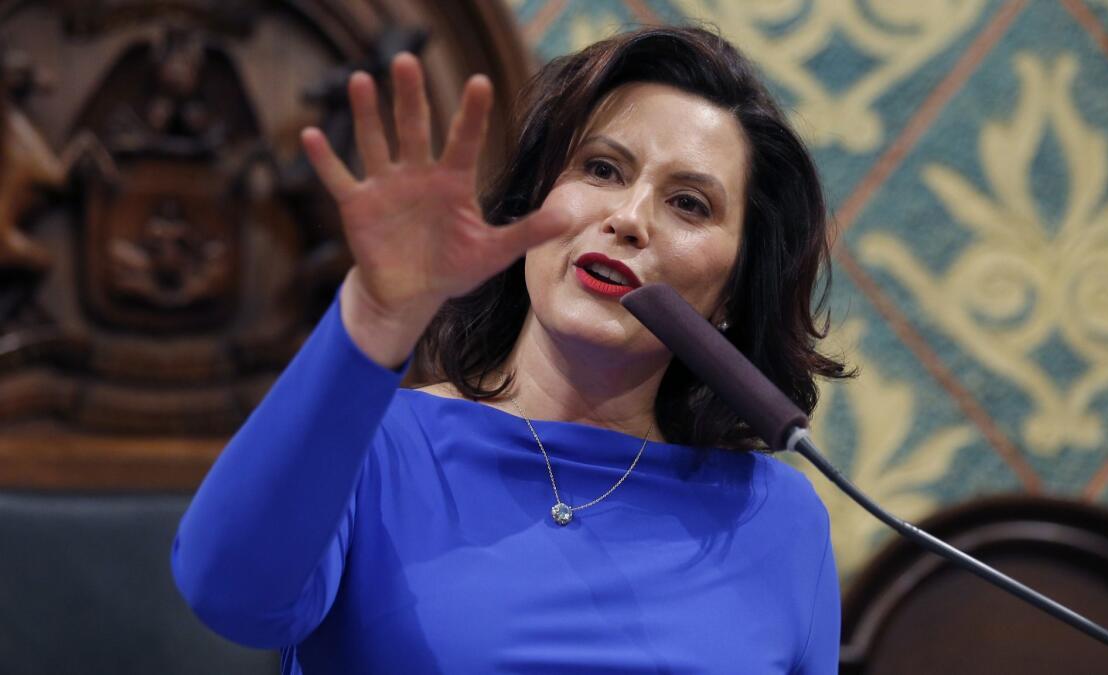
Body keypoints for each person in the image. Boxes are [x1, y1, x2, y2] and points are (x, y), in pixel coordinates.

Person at [172, 25, 848, 674]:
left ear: (734, 288)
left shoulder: (778, 519)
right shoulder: (375, 449)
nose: (630, 218)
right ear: (534, 202)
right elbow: (227, 596)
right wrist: (374, 316)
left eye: (690, 204)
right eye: (603, 168)